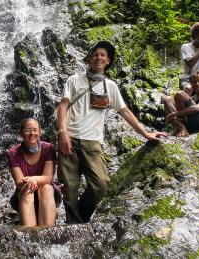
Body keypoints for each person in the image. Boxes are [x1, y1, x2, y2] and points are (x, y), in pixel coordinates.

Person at [56, 40, 167, 224]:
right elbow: (63, 106)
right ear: (89, 58)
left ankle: (80, 220)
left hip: (92, 143)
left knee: (100, 185)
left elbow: (125, 112)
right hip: (70, 138)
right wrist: (63, 132)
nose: (99, 57)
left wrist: (146, 134)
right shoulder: (74, 80)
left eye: (103, 55)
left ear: (108, 61)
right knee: (69, 188)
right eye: (96, 54)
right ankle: (74, 226)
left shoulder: (110, 86)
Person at [6, 118, 61, 227]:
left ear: (40, 132)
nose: (32, 133)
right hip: (23, 196)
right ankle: (30, 236)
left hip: (48, 197)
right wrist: (30, 182)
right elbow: (19, 182)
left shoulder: (49, 148)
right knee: (27, 189)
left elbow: (48, 178)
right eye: (27, 130)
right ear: (21, 133)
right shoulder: (12, 153)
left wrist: (33, 179)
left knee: (46, 188)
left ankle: (46, 233)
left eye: (35, 130)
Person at [164, 70, 199, 136]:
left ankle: (182, 128)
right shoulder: (193, 97)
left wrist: (174, 114)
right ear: (190, 84)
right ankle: (181, 127)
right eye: (194, 82)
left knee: (179, 94)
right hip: (192, 124)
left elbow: (197, 109)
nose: (197, 84)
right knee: (167, 99)